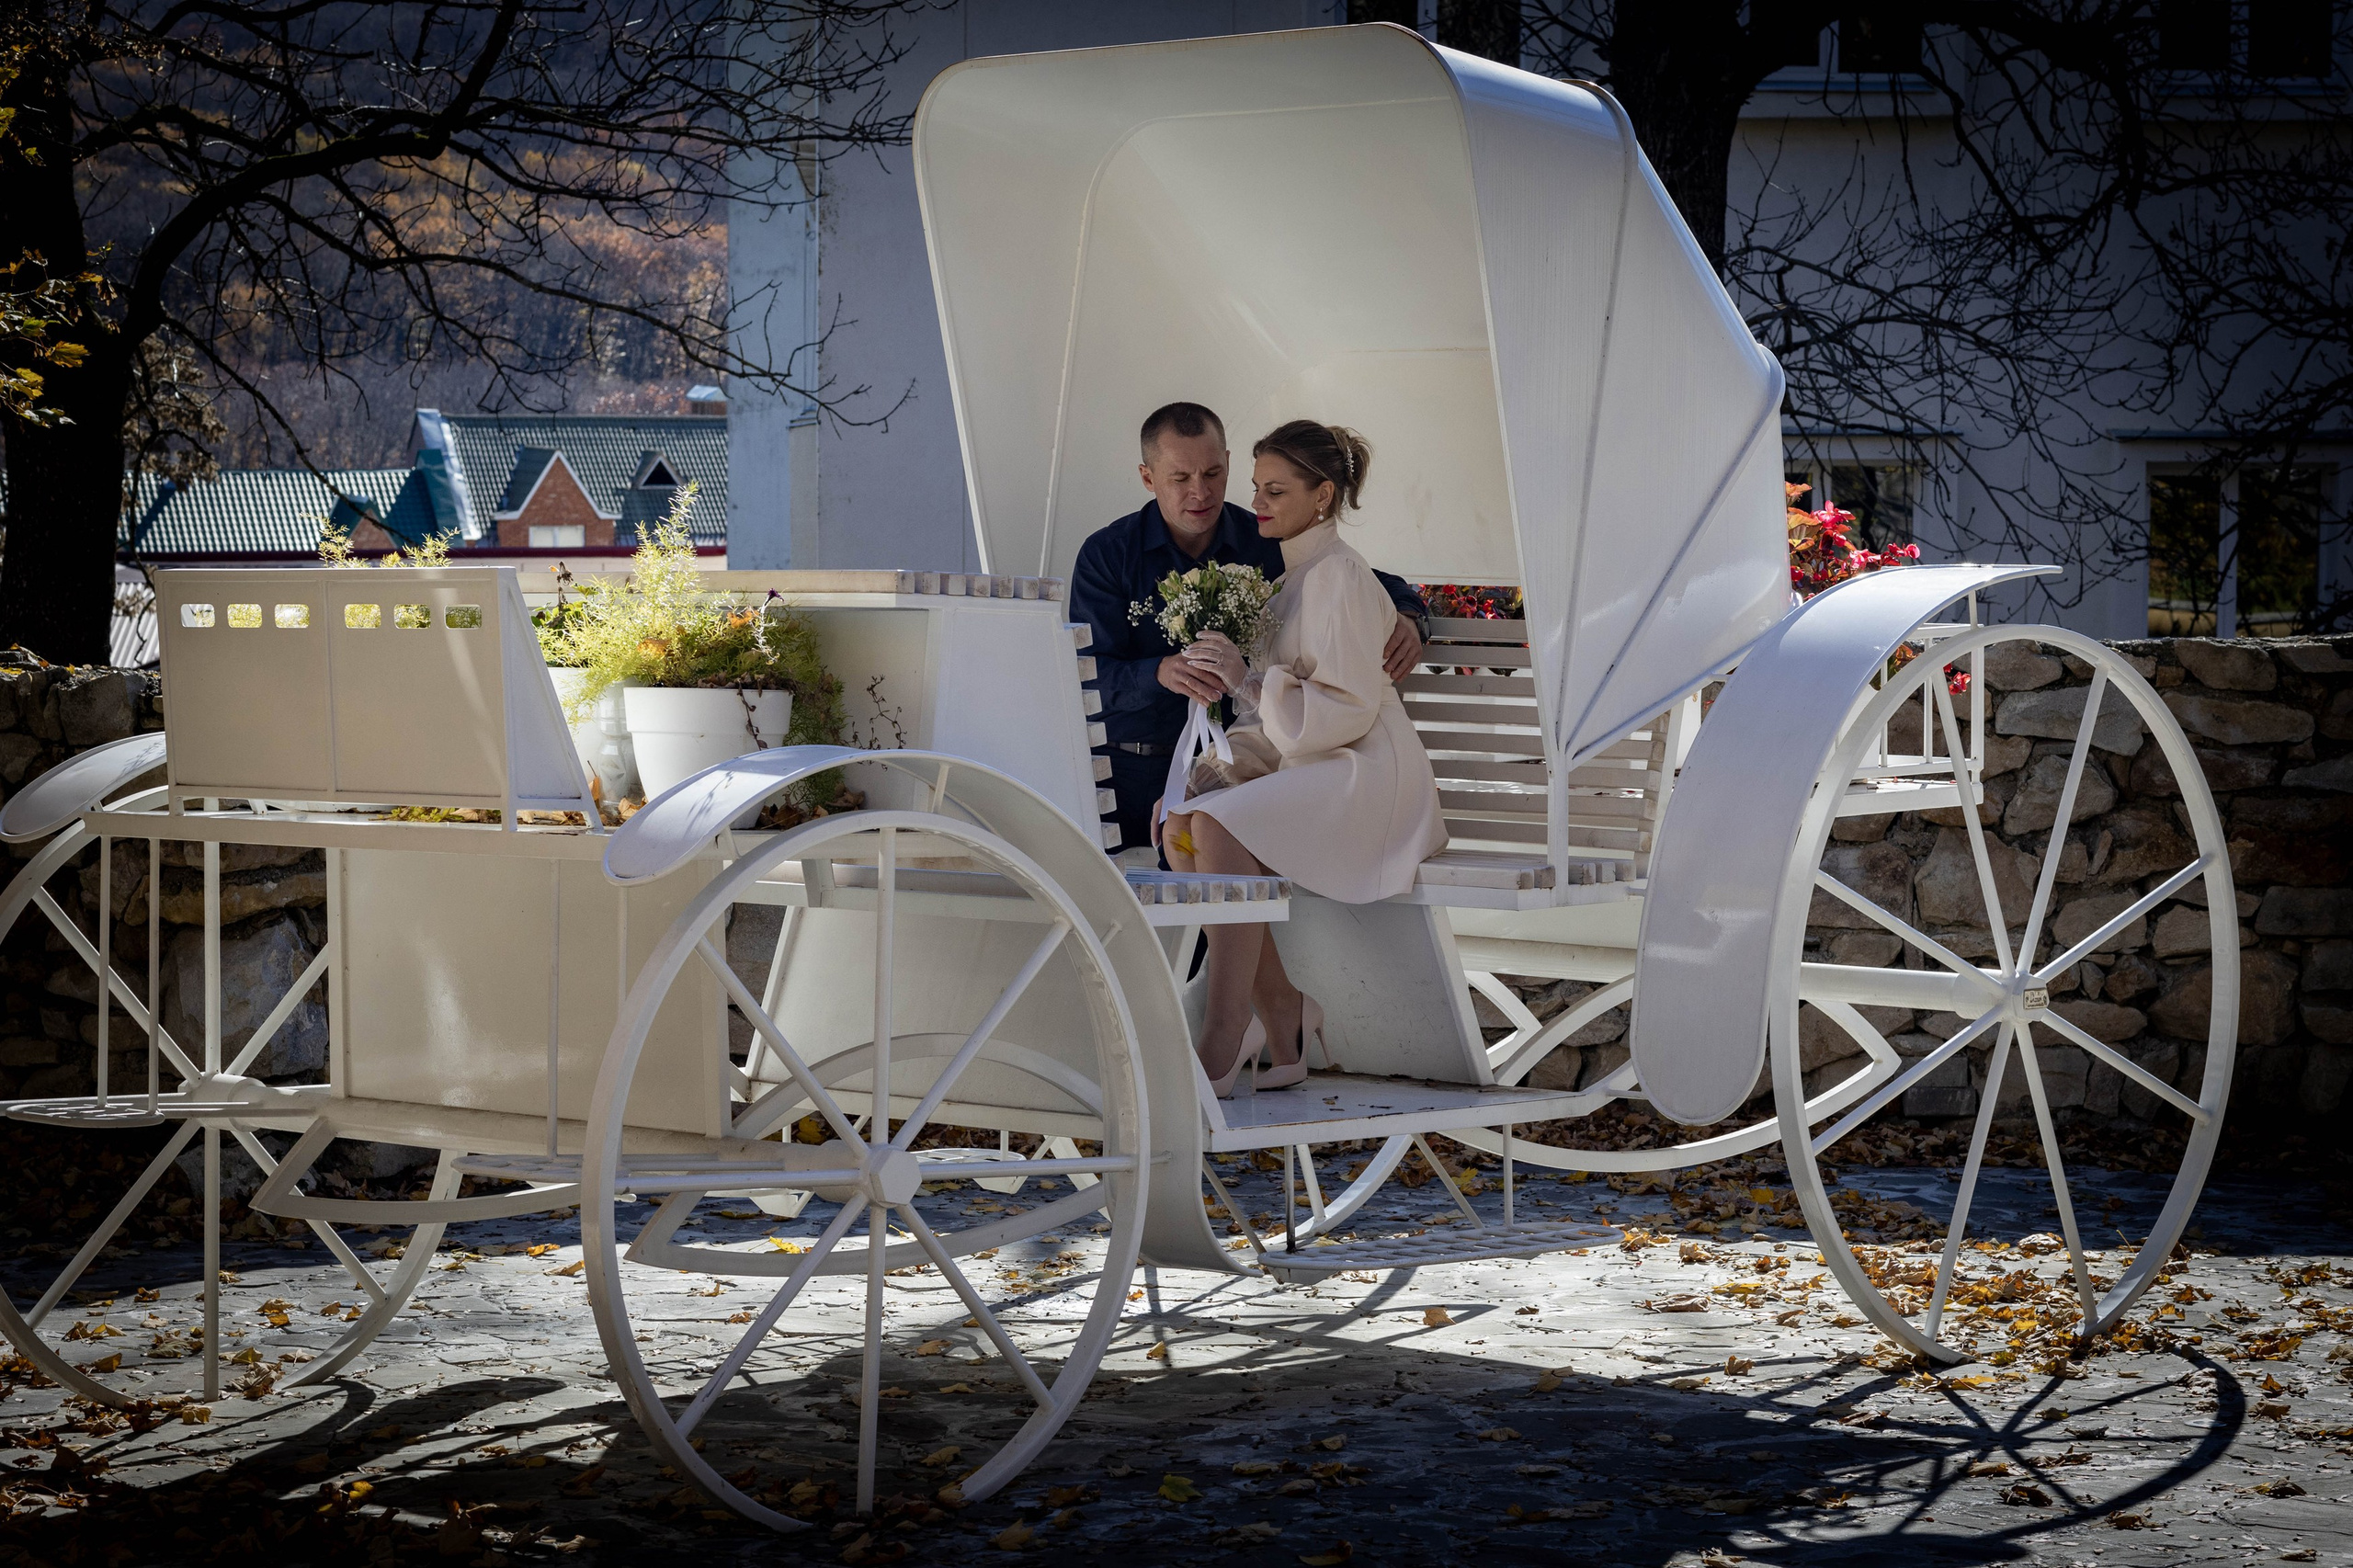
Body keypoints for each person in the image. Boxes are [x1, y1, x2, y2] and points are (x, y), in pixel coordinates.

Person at [1163, 421, 1449, 1096]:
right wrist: (1224, 765)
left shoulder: (1340, 578)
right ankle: (1284, 1011)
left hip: (1368, 776)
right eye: (1257, 487)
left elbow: (1344, 711)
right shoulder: (1293, 578)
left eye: (1277, 490)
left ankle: (1224, 1032)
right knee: (1183, 822)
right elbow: (1277, 718)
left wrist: (1241, 680)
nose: (1257, 502)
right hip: (1319, 766)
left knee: (1215, 827)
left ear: (1323, 496)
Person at [1069, 403, 1431, 853]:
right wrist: (1158, 672)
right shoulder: (1106, 555)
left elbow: (1358, 574)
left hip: (1233, 771)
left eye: (1214, 473)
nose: (1200, 492)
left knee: (1206, 864)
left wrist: (1411, 616)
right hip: (1123, 771)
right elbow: (1081, 677)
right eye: (1180, 479)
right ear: (1148, 478)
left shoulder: (1264, 539)